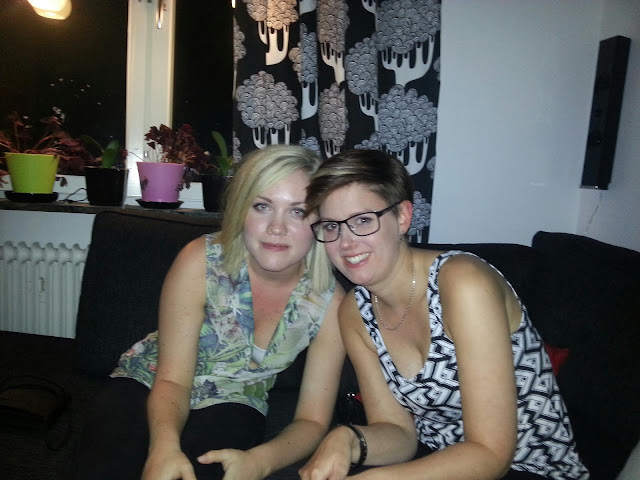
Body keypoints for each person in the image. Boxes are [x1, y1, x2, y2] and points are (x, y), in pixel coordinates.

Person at [299, 149, 589, 480]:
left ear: (402, 217)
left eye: (363, 220)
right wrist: (348, 439)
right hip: (437, 460)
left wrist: (381, 478)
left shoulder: (463, 282)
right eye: (331, 226)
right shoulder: (355, 312)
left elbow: (492, 454)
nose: (345, 242)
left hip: (529, 469)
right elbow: (398, 433)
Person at [74, 145, 345, 480]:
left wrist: (260, 462)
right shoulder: (200, 261)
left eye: (298, 212)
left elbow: (313, 420)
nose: (277, 227)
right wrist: (163, 448)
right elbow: (173, 378)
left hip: (235, 401)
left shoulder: (330, 304)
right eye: (262, 206)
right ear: (241, 209)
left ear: (320, 220)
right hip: (148, 381)